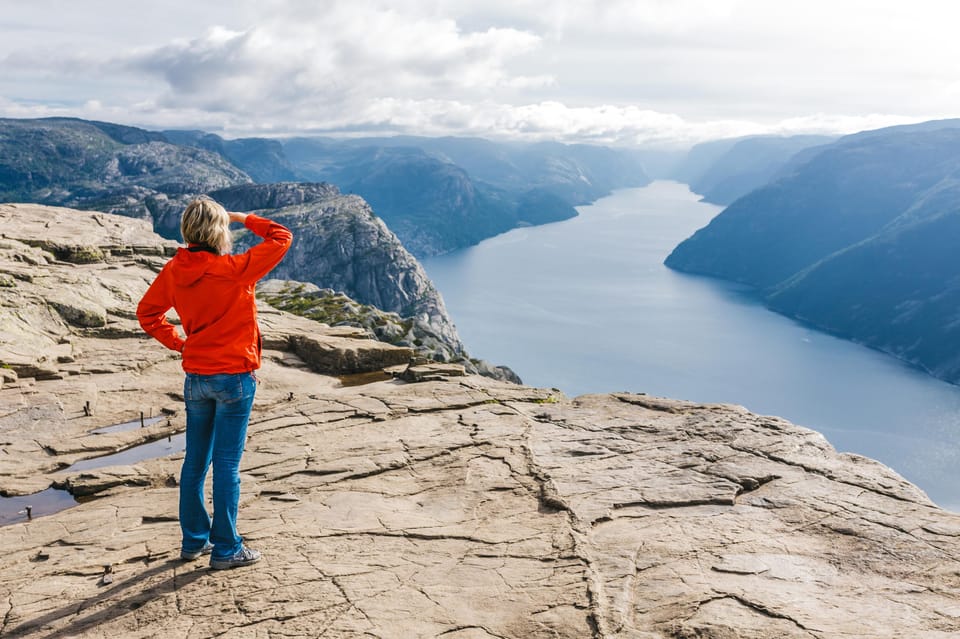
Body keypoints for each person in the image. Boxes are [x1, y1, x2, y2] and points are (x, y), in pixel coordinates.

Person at [137, 196, 292, 570]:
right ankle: (226, 548)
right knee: (226, 465)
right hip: (235, 379)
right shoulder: (236, 269)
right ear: (219, 230)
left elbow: (148, 314)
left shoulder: (175, 269)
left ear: (188, 230)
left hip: (197, 380)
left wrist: (180, 343)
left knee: (195, 462)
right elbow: (281, 236)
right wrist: (244, 217)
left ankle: (194, 541)